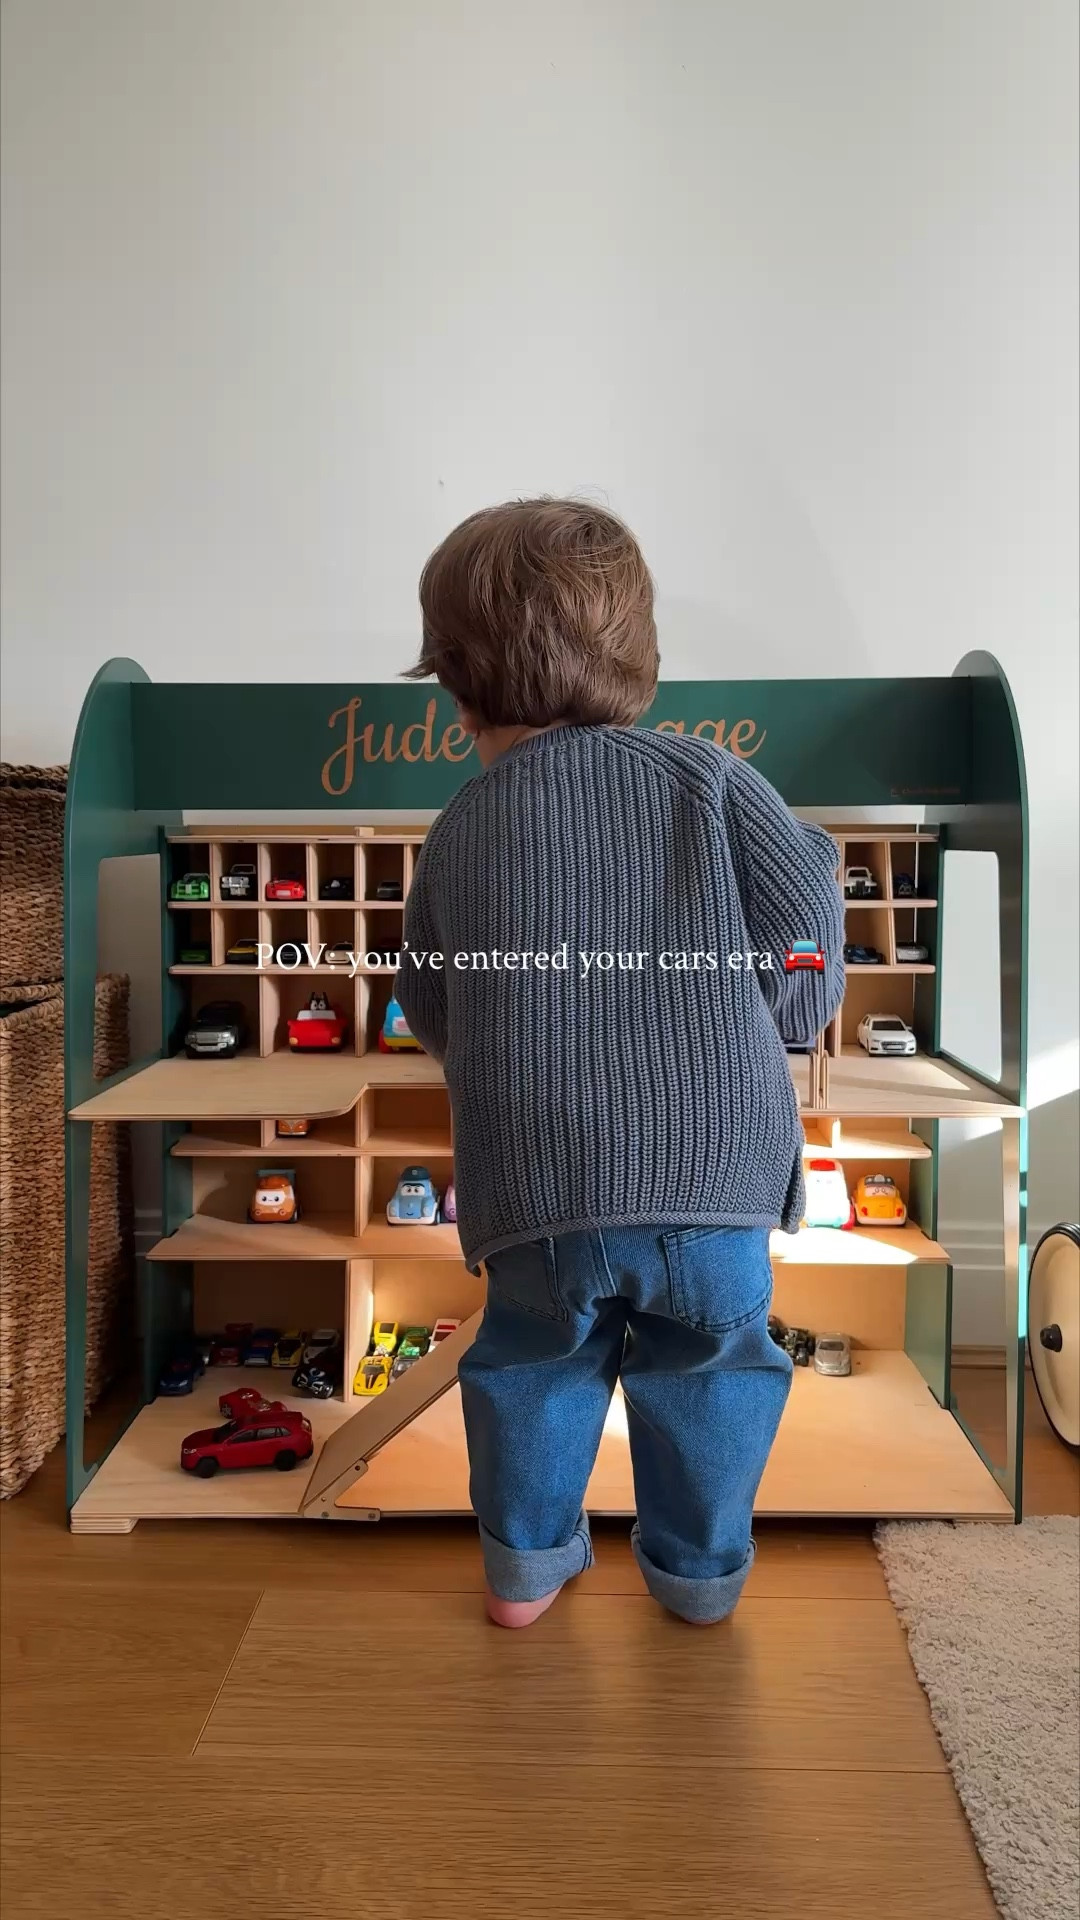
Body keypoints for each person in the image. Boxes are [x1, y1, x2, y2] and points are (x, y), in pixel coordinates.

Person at [395, 498, 845, 1628]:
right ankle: (697, 1579)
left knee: (532, 1367)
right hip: (713, 1171)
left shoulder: (460, 827)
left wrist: (502, 1054)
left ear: (455, 689)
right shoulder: (712, 781)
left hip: (536, 1181)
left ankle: (523, 1575)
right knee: (714, 1372)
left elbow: (432, 1001)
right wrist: (784, 1008)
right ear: (639, 658)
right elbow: (804, 937)